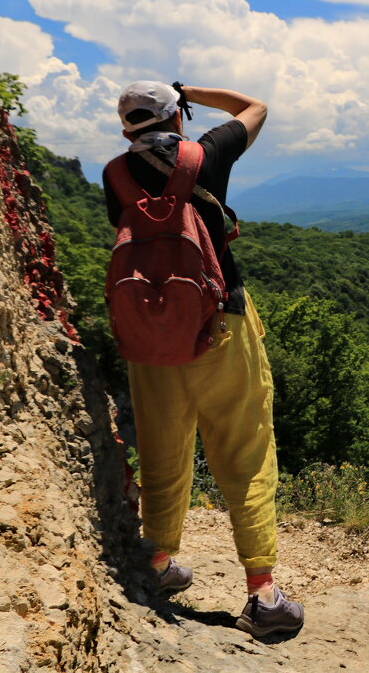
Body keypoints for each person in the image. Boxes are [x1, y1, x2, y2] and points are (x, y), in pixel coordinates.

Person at [103, 80, 304, 638]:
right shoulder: (205, 154)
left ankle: (160, 563)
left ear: (126, 128)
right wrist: (189, 89)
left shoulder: (114, 175)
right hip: (221, 325)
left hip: (150, 337)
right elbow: (255, 107)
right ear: (177, 119)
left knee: (164, 450)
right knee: (245, 448)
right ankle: (262, 594)